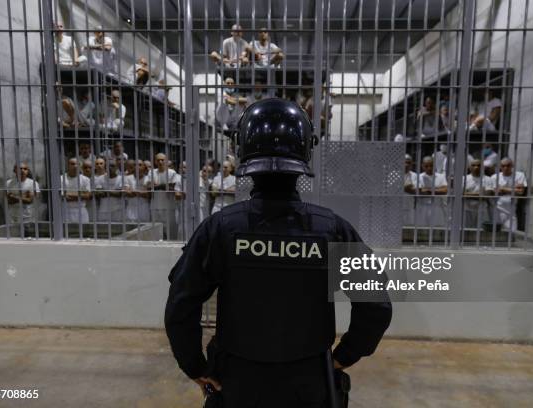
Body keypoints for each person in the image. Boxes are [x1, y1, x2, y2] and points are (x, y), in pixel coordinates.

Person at [165, 98, 392, 408]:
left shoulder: (219, 229)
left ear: (241, 148)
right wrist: (343, 357)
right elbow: (375, 304)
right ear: (306, 149)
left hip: (238, 381)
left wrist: (195, 366)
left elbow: (181, 305)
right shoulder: (332, 229)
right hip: (311, 381)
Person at [490, 158, 527, 231]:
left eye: (508, 165)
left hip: (511, 210)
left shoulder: (519, 175)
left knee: (512, 233)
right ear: (500, 167)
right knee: (496, 233)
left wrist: (503, 189)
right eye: (503, 166)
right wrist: (513, 189)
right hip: (497, 208)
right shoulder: (494, 177)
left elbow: (520, 192)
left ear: (512, 166)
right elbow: (494, 191)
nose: (505, 168)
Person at [149, 153, 178, 238]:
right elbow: (148, 187)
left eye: (162, 160)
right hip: (155, 206)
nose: (160, 162)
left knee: (170, 232)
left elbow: (172, 187)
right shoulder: (152, 172)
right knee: (155, 232)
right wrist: (164, 186)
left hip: (168, 206)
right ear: (155, 161)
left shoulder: (172, 173)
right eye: (158, 160)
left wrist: (157, 186)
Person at [416, 156, 448, 227]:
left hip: (437, 207)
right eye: (426, 166)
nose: (429, 168)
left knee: (437, 229)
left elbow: (445, 190)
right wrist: (437, 189)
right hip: (422, 207)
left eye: (431, 165)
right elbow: (420, 191)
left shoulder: (441, 176)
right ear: (422, 166)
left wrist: (428, 189)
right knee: (422, 229)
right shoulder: (418, 177)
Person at [462, 159, 494, 228]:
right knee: (466, 231)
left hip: (482, 210)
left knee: (481, 232)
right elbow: (461, 194)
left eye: (479, 165)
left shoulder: (488, 179)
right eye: (473, 165)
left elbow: (486, 196)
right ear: (469, 167)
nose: (476, 167)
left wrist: (468, 194)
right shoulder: (464, 179)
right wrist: (479, 194)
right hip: (466, 210)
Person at [60, 157, 92, 223]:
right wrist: (80, 196)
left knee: (83, 232)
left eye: (77, 164)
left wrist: (68, 194)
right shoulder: (61, 178)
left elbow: (87, 196)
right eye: (72, 164)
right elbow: (60, 196)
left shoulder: (85, 179)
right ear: (68, 165)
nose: (75, 166)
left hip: (81, 211)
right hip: (66, 211)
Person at [403, 154, 418, 225]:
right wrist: (408, 186)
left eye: (408, 163)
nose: (406, 165)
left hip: (410, 207)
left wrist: (401, 187)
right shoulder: (393, 174)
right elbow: (392, 191)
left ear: (411, 164)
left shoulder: (414, 175)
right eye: (404, 162)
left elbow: (415, 191)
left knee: (409, 230)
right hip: (397, 207)